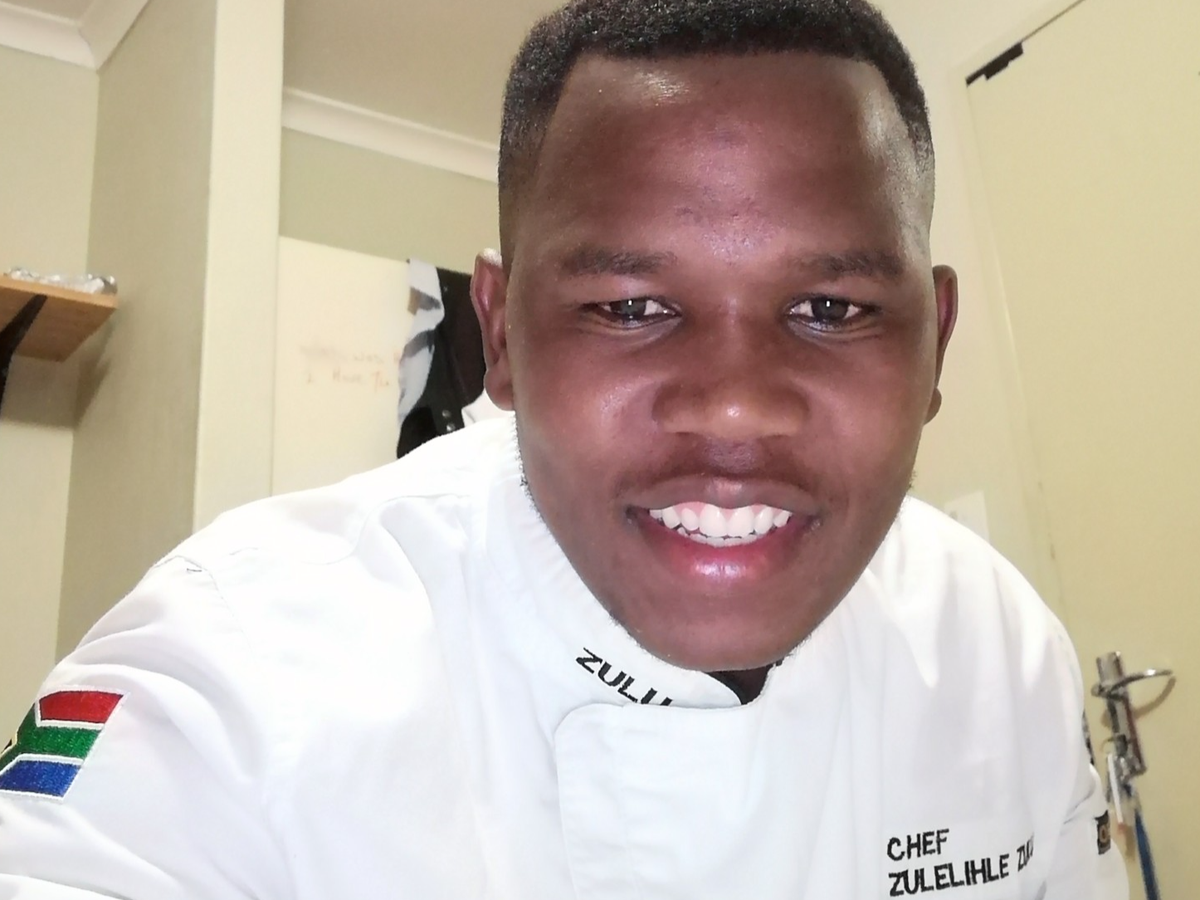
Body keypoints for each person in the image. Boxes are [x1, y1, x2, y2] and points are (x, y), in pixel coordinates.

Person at [0, 0, 1128, 897]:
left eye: (831, 310)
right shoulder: (240, 665)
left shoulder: (996, 643)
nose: (735, 411)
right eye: (631, 308)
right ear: (498, 336)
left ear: (935, 343)